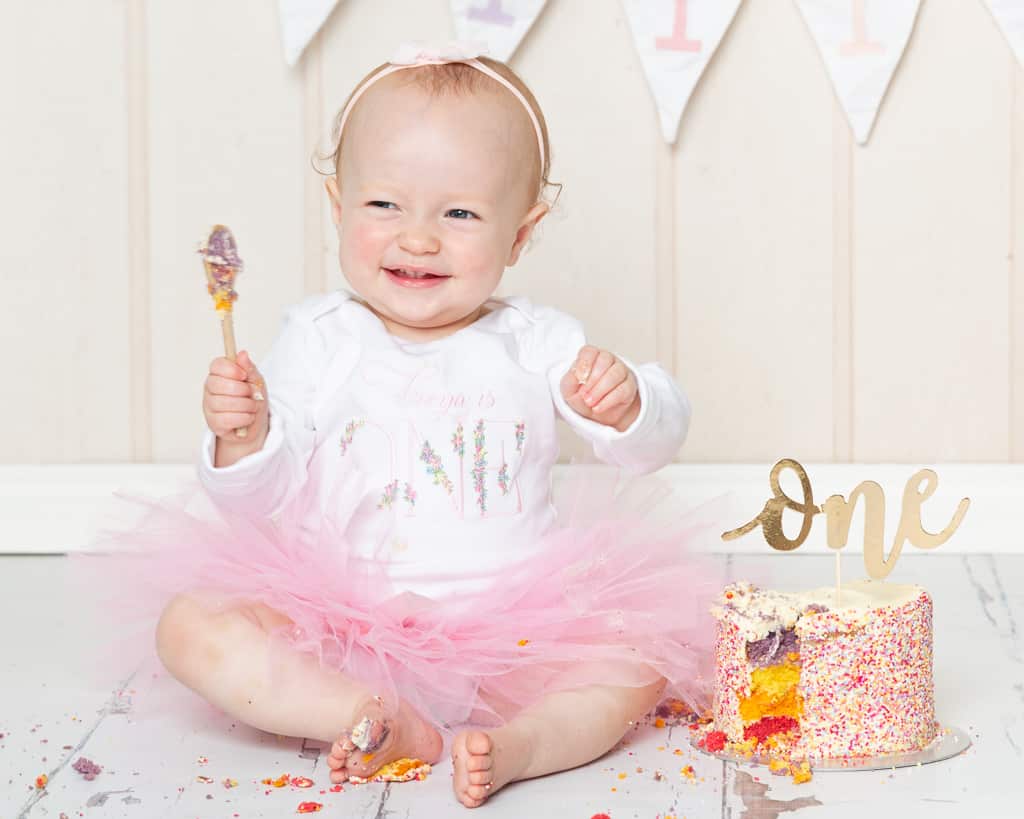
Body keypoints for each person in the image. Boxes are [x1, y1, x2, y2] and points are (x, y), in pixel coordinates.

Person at [147, 42, 713, 809]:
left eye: (460, 213)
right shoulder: (318, 337)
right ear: (338, 204)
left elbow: (652, 451)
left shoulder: (535, 339)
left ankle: (524, 744)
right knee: (190, 626)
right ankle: (361, 714)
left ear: (519, 234)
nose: (418, 237)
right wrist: (243, 439)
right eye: (384, 205)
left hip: (515, 631)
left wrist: (627, 405)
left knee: (641, 652)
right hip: (340, 630)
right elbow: (256, 501)